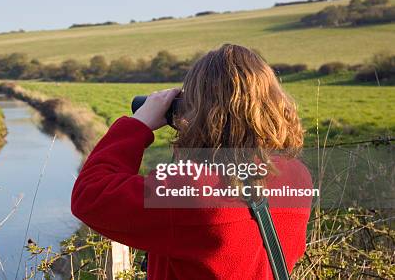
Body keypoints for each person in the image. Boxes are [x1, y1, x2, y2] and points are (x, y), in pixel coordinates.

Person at [71, 44, 312, 279]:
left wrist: (138, 124)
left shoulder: (191, 187)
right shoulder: (297, 176)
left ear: (197, 111)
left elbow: (89, 195)